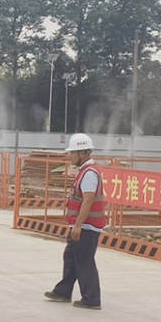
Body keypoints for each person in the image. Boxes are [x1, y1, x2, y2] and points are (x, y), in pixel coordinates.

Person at [44, 133, 106, 310]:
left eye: (72, 152)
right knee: (71, 257)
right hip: (81, 225)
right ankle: (63, 291)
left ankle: (92, 299)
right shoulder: (84, 171)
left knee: (84, 261)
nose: (69, 156)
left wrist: (78, 225)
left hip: (87, 226)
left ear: (83, 153)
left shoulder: (89, 174)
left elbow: (88, 200)